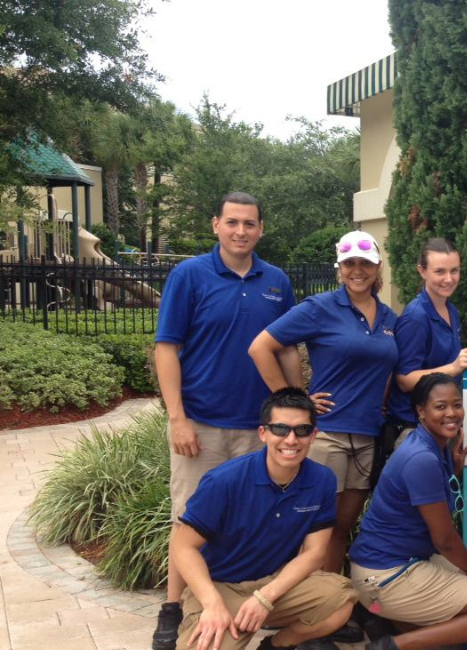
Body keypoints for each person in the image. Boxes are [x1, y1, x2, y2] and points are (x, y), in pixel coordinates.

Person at [153, 191, 297, 650]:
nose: (240, 231)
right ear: (216, 224)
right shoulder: (189, 275)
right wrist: (178, 417)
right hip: (202, 425)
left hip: (260, 428)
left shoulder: (276, 281)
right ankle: (173, 607)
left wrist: (298, 403)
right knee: (188, 518)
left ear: (261, 229)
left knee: (248, 518)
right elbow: (166, 349)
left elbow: (287, 347)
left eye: (249, 224)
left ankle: (234, 599)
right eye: (232, 222)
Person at [249, 230, 398, 574]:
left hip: (367, 437)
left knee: (341, 529)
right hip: (327, 436)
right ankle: (302, 605)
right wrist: (294, 401)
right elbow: (260, 347)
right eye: (349, 264)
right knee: (313, 529)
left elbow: (388, 367)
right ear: (339, 268)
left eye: (365, 263)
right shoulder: (320, 308)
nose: (357, 270)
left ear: (378, 269)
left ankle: (331, 602)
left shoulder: (390, 318)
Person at [170, 387, 359, 650]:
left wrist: (265, 597)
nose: (291, 439)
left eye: (302, 430)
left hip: (275, 584)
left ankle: (276, 645)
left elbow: (315, 553)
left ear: (313, 436)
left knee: (339, 604)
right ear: (263, 433)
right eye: (280, 429)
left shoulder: (322, 480)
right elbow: (183, 546)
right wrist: (212, 604)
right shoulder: (224, 481)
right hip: (221, 587)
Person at [348, 373, 467, 650]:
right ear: (421, 411)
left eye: (457, 405)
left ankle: (397, 630)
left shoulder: (436, 445)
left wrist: (454, 470)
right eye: (441, 406)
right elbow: (444, 540)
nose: (452, 413)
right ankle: (390, 645)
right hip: (385, 575)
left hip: (403, 562)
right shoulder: (421, 458)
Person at [387, 238, 467, 445]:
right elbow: (405, 380)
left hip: (440, 426)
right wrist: (454, 367)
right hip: (415, 430)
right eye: (440, 271)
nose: (449, 279)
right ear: (422, 271)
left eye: (455, 271)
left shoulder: (449, 309)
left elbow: (441, 359)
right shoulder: (416, 317)